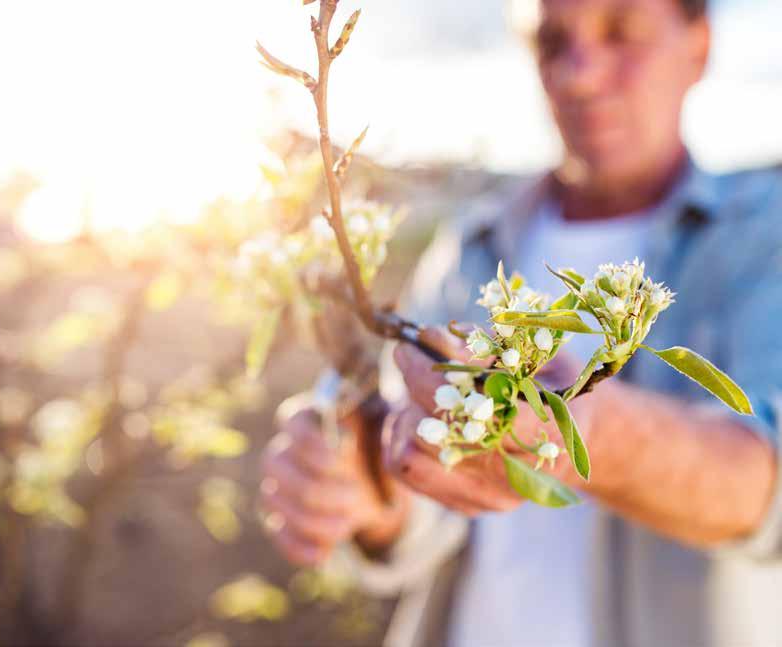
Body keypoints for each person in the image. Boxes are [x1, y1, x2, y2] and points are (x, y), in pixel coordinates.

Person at [260, 0, 782, 645]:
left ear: (698, 46)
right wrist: (367, 494)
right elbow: (419, 474)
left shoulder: (766, 234)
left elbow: (769, 489)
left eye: (621, 32)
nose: (579, 75)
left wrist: (587, 432)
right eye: (552, 42)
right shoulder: (475, 243)